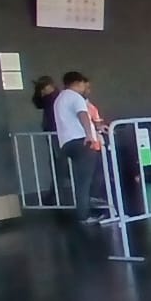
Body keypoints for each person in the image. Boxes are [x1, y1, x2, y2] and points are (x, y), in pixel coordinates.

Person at [51, 72, 105, 224]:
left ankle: (88, 205)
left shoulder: (59, 99)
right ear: (77, 83)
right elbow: (82, 115)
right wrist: (89, 135)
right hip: (81, 141)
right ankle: (85, 214)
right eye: (83, 84)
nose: (84, 88)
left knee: (81, 179)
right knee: (85, 180)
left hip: (66, 143)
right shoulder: (75, 97)